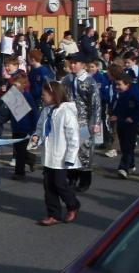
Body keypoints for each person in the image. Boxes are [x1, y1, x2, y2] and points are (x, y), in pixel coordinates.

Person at [30, 81, 80, 226]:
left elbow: (73, 137)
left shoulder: (66, 112)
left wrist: (70, 157)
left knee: (60, 184)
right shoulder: (46, 111)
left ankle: (73, 205)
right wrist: (36, 137)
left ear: (53, 95)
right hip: (48, 156)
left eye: (44, 95)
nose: (42, 98)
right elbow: (40, 129)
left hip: (61, 156)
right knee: (48, 186)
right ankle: (54, 215)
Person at [61, 53, 101, 192]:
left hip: (84, 122)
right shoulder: (67, 79)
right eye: (71, 62)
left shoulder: (89, 81)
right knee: (70, 149)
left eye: (75, 63)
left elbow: (96, 103)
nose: (72, 65)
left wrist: (95, 122)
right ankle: (72, 177)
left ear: (83, 65)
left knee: (84, 150)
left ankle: (85, 178)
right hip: (70, 120)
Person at [110, 74, 139, 179]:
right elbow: (118, 106)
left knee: (128, 146)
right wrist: (115, 114)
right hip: (121, 123)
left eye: (119, 85)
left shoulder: (134, 94)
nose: (117, 87)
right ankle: (131, 164)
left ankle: (123, 168)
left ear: (127, 85)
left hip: (130, 125)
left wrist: (133, 118)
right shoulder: (120, 94)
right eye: (116, 84)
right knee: (124, 145)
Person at [10, 75, 38, 180]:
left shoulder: (27, 96)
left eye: (16, 85)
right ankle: (30, 158)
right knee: (18, 149)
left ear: (23, 85)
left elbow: (34, 113)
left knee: (19, 151)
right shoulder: (12, 96)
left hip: (25, 128)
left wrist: (34, 128)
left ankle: (19, 172)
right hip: (16, 127)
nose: (14, 88)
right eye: (13, 85)